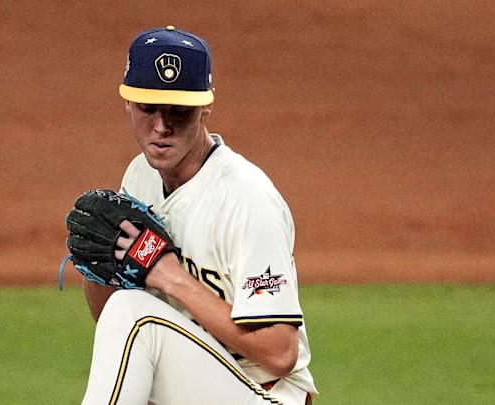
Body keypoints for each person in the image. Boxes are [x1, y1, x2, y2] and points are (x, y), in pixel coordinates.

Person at [79, 25, 318, 404]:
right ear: (126, 103)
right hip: (199, 385)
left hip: (266, 394)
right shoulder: (140, 178)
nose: (161, 126)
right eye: (147, 108)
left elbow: (280, 354)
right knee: (128, 316)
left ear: (206, 106)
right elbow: (110, 323)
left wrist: (172, 279)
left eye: (179, 111)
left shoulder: (246, 200)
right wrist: (97, 270)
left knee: (136, 314)